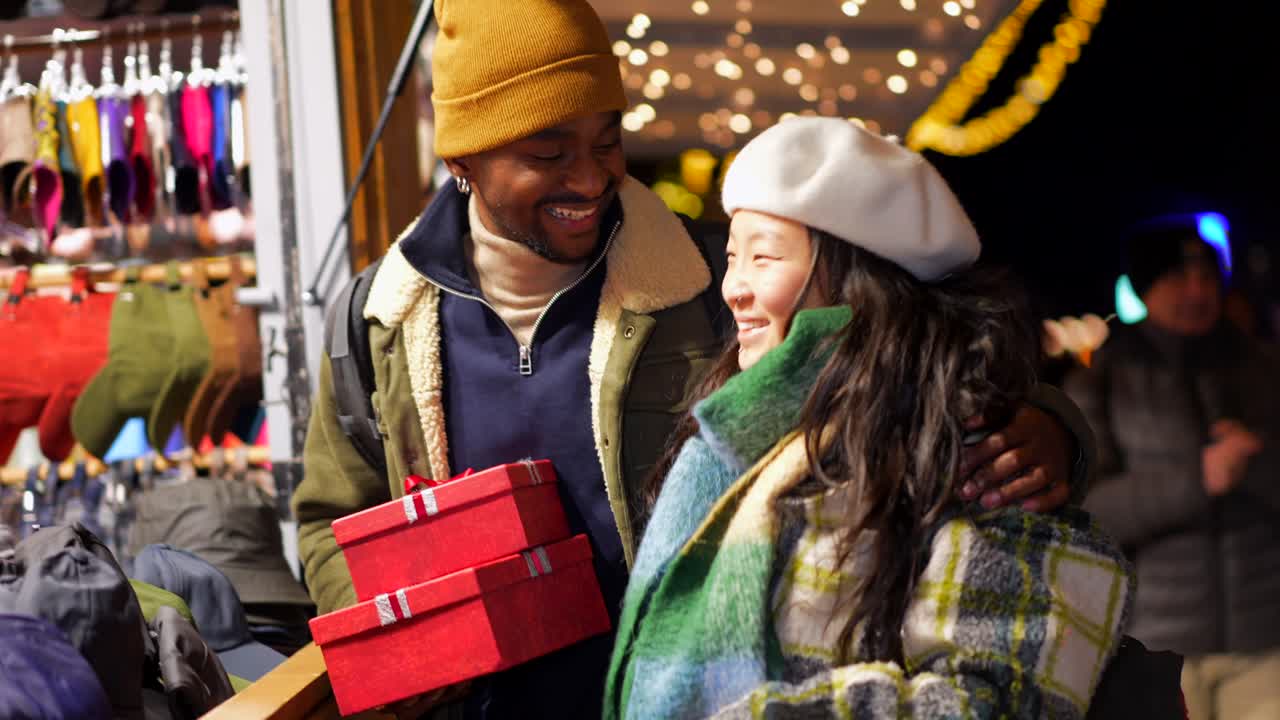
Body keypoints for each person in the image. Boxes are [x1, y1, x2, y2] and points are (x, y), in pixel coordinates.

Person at [295, 2, 1094, 717]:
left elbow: (914, 365)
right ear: (462, 161)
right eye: (549, 152)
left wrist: (1049, 430)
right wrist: (400, 642)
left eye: (607, 142)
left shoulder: (710, 282)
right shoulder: (377, 322)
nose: (591, 177)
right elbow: (331, 521)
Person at [604, 118, 1132, 719]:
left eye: (763, 258)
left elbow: (999, 700)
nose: (735, 289)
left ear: (860, 282)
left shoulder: (965, 453)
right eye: (732, 257)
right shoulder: (737, 438)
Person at [1066, 220, 1280, 720]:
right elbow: (1087, 515)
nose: (1197, 292)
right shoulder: (1100, 381)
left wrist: (1255, 462)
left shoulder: (1264, 368)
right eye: (1178, 278)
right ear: (1145, 287)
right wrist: (1197, 480)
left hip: (1265, 638)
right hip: (1154, 643)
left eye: (1207, 277)